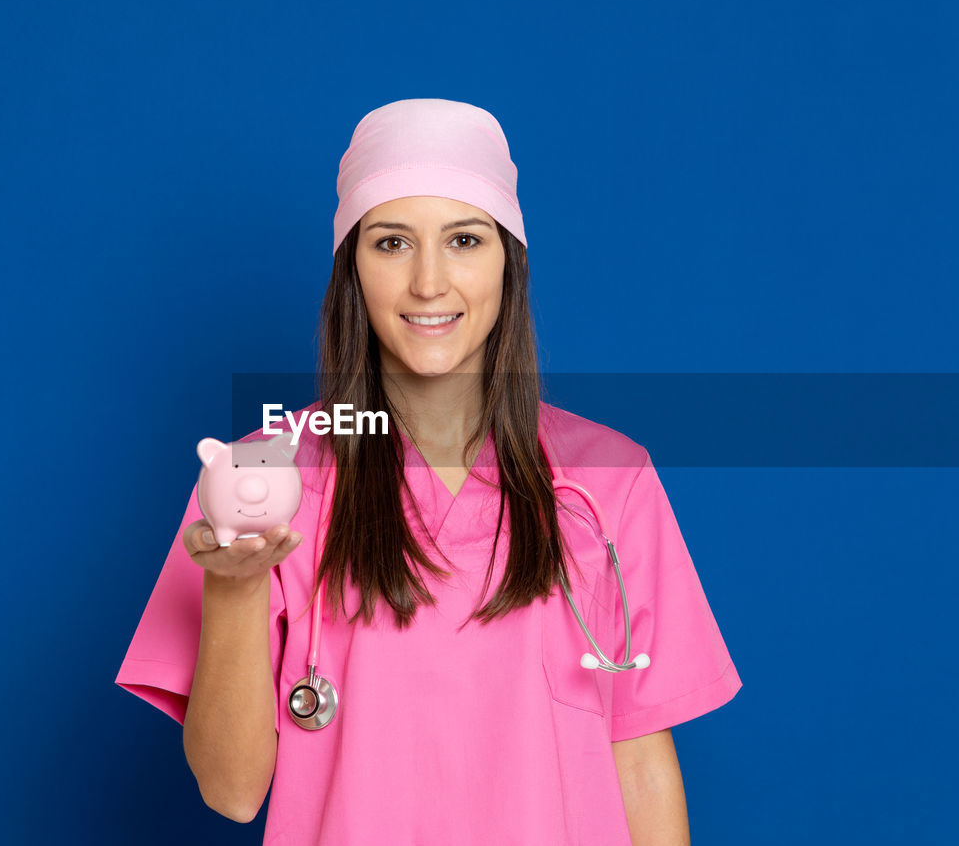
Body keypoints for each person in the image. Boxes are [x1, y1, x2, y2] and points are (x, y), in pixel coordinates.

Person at [115, 98, 742, 845]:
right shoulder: (259, 476)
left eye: (465, 239)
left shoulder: (607, 479)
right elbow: (231, 790)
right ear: (352, 268)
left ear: (509, 263)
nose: (429, 283)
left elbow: (638, 761)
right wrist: (235, 585)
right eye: (391, 243)